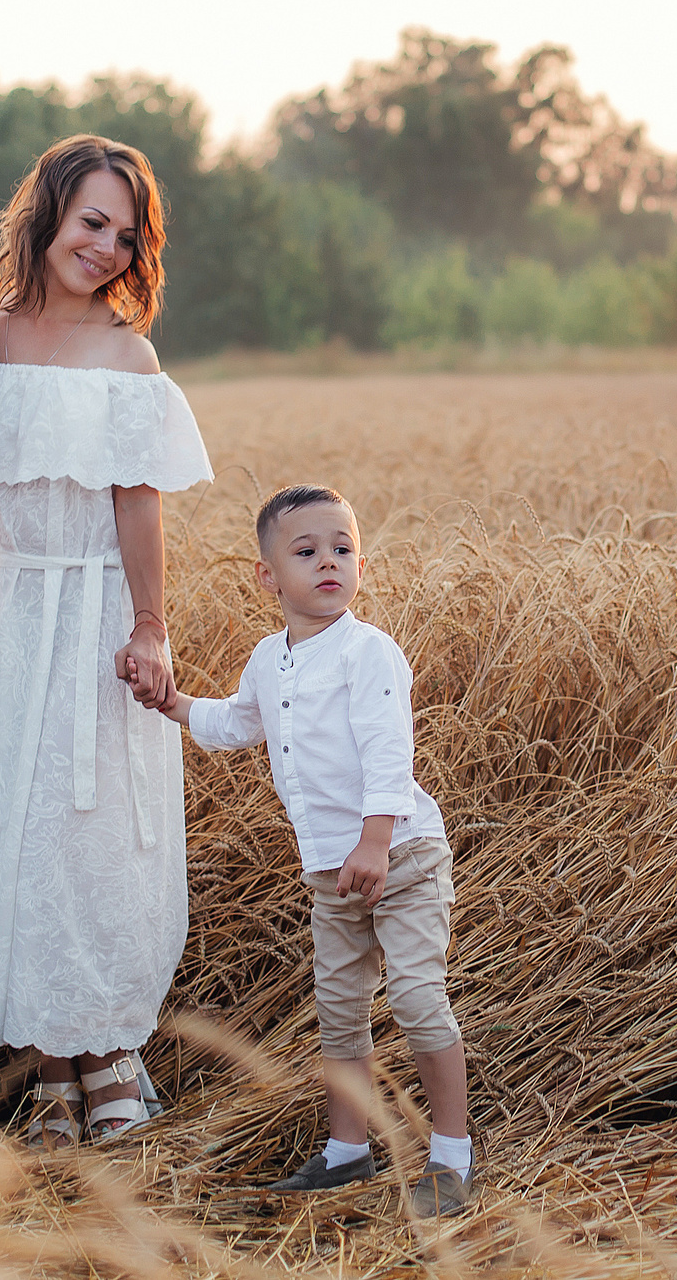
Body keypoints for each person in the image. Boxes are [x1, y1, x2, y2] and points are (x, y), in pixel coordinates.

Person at [0, 135, 213, 1145]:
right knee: (16, 829)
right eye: (91, 221)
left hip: (97, 616)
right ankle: (49, 1060)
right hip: (6, 612)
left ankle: (112, 1048)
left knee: (104, 835)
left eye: (125, 236)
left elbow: (138, 502)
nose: (105, 247)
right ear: (44, 213)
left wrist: (149, 625)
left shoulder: (128, 355)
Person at [139, 484, 476, 1216]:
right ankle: (347, 1150)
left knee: (418, 999)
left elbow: (390, 753)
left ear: (361, 565)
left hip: (403, 856)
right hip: (330, 870)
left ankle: (451, 1154)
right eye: (306, 551)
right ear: (268, 577)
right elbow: (236, 723)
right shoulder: (270, 659)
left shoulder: (368, 653)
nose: (329, 562)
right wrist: (174, 705)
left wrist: (376, 842)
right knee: (341, 1014)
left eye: (343, 549)